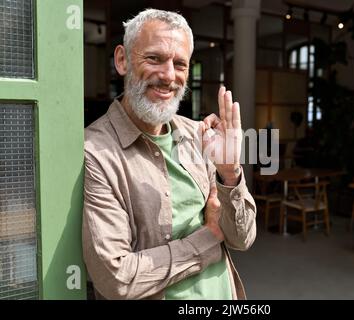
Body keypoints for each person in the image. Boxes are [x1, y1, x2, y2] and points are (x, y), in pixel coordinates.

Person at [82, 8, 257, 300]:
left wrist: (230, 173)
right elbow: (115, 280)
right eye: (154, 58)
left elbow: (242, 238)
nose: (168, 76)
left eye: (180, 64)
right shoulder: (96, 152)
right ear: (122, 60)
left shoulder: (197, 135)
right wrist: (210, 237)